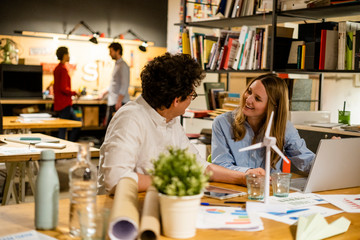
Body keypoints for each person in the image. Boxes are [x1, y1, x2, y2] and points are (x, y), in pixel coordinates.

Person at [98, 53, 259, 194]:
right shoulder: (130, 119)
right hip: (123, 212)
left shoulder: (170, 120)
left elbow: (200, 167)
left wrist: (244, 178)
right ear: (176, 100)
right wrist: (170, 180)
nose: (191, 100)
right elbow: (115, 180)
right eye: (192, 95)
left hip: (157, 203)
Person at [211, 74, 315, 175]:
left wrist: (328, 159)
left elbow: (306, 160)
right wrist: (248, 172)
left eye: (257, 98)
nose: (248, 99)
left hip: (269, 190)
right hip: (234, 188)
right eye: (249, 91)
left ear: (272, 106)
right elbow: (221, 166)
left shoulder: (285, 128)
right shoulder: (222, 123)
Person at [99, 42, 130, 127]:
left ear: (118, 51)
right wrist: (103, 93)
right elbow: (114, 83)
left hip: (118, 103)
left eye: (111, 51)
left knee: (115, 128)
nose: (109, 54)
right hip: (114, 101)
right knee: (110, 127)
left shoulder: (123, 65)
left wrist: (119, 101)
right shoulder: (117, 65)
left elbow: (124, 84)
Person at [53, 46, 80, 141]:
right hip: (64, 103)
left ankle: (67, 144)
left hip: (59, 103)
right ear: (64, 55)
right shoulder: (63, 70)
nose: (69, 56)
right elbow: (63, 88)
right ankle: (68, 144)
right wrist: (74, 93)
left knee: (63, 127)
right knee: (73, 125)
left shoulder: (57, 68)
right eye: (68, 54)